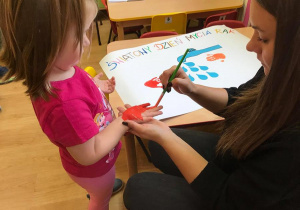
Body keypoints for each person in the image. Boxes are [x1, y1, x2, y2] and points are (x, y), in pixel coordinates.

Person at [121, 0, 300, 209]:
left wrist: (166, 137)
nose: (250, 46)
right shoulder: (281, 72)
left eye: (262, 37)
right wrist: (192, 89)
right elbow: (240, 101)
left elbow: (228, 200)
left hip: (237, 200)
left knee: (139, 187)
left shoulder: (292, 145)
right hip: (248, 163)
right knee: (157, 147)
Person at [0, 1, 162, 210]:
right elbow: (91, 152)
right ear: (49, 42)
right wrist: (125, 119)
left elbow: (78, 79)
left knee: (103, 185)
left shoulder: (59, 68)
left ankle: (102, 187)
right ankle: (100, 193)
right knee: (100, 198)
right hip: (94, 170)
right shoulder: (65, 106)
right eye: (81, 34)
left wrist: (97, 86)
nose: (87, 42)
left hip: (96, 158)